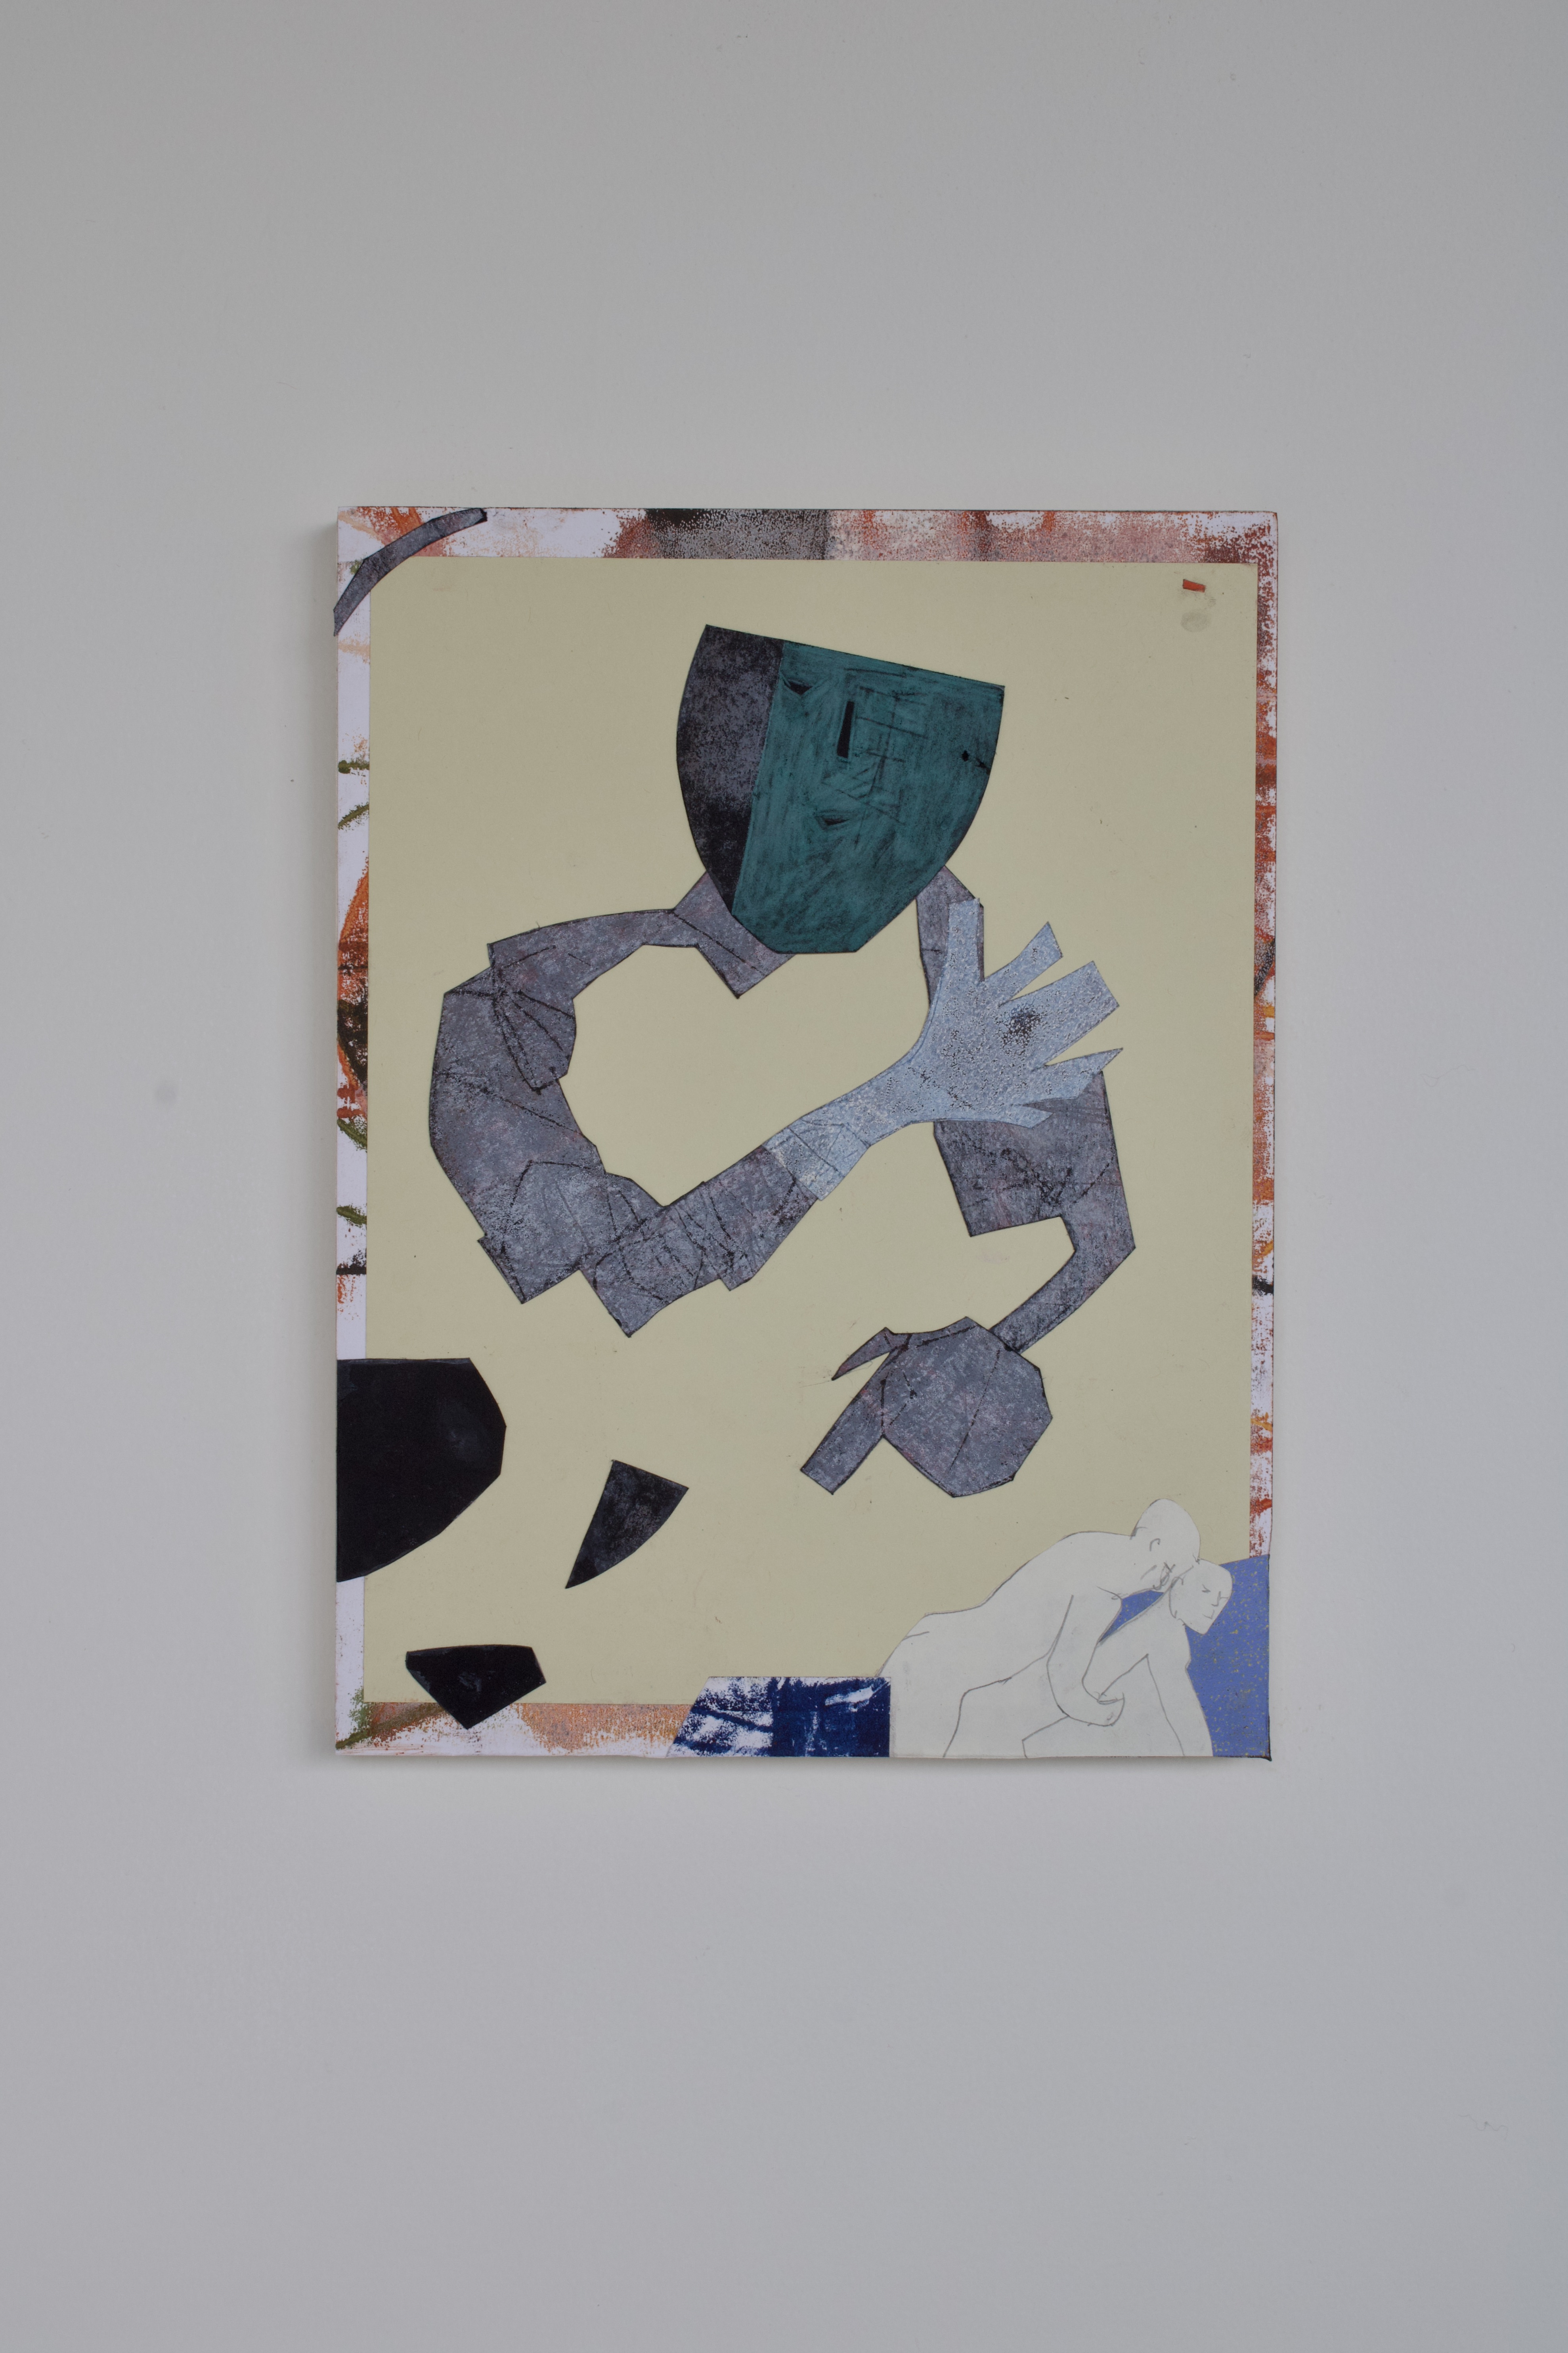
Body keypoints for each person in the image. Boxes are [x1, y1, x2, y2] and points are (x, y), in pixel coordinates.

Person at [882, 1500, 1201, 1757]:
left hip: (928, 1650)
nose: (1159, 1587)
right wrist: (1108, 1713)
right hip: (934, 1678)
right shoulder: (1104, 1591)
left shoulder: (1088, 1545)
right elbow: (1065, 1683)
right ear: (1154, 1544)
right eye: (1167, 1572)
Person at [1011, 1559, 1233, 1758]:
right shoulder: (1162, 1636)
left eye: (1222, 1599)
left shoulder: (1164, 1631)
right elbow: (1184, 1715)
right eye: (1205, 1591)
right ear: (1179, 1583)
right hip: (1061, 1739)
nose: (1215, 1605)